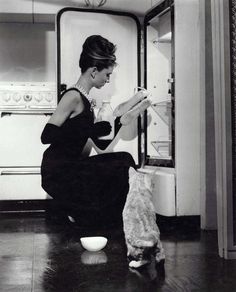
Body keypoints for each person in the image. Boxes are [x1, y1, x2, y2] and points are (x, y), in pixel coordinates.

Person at [41, 35, 150, 229]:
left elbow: (101, 146)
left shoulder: (86, 99)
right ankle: (110, 222)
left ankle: (116, 221)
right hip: (58, 171)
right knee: (119, 167)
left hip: (72, 166)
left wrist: (120, 121)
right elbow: (46, 136)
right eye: (107, 75)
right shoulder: (73, 96)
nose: (108, 80)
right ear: (93, 71)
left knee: (124, 159)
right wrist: (88, 128)